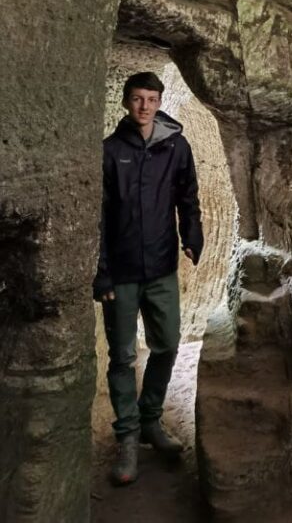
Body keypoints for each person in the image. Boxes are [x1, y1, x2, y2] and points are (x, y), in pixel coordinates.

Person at [93, 70, 203, 486]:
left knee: (168, 344)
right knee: (121, 356)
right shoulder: (108, 151)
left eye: (151, 99)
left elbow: (186, 196)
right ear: (125, 102)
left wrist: (191, 236)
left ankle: (150, 418)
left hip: (160, 266)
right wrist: (101, 273)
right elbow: (98, 218)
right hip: (119, 272)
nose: (144, 106)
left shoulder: (175, 147)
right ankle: (128, 436)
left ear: (159, 103)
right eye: (137, 98)